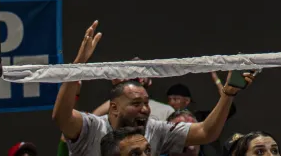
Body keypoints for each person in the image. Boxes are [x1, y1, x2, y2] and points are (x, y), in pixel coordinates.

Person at [54, 21, 250, 156]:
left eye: (146, 103)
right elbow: (61, 116)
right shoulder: (93, 127)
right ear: (114, 107)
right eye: (136, 103)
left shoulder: (155, 129)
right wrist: (79, 65)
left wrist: (228, 93)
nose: (145, 109)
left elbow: (206, 132)